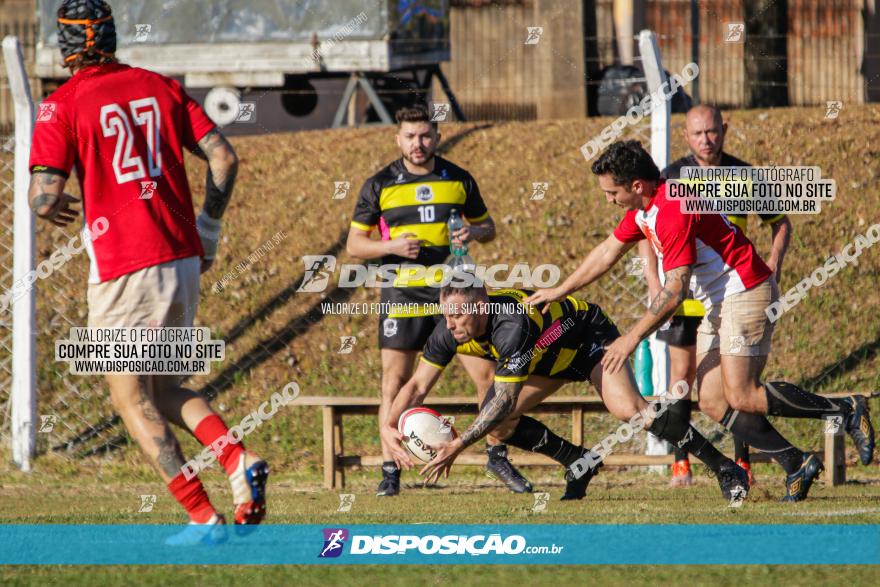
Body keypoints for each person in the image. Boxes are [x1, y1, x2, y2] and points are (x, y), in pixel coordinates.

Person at [28, 0, 266, 544]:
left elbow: (44, 199)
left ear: (65, 48)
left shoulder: (59, 106)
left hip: (126, 264)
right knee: (160, 391)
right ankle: (238, 460)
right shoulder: (161, 86)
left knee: (128, 399)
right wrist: (208, 228)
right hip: (182, 256)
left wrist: (45, 200)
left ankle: (204, 518)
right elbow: (224, 158)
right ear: (111, 37)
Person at [527, 140, 874, 501]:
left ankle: (846, 409)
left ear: (636, 186)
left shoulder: (672, 209)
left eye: (611, 192)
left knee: (742, 394)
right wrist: (559, 291)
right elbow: (607, 252)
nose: (608, 199)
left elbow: (674, 291)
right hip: (719, 300)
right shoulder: (648, 207)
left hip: (746, 289)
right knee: (713, 402)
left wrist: (630, 338)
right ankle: (795, 462)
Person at [383, 285, 751, 503]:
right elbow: (416, 386)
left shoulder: (509, 326)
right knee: (495, 421)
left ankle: (725, 467)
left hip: (586, 339)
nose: (448, 326)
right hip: (546, 357)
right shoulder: (450, 330)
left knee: (631, 410)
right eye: (445, 317)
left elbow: (505, 400)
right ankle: (580, 461)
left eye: (456, 317)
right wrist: (388, 426)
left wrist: (458, 444)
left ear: (480, 307)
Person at [346, 105, 532, 496]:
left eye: (425, 135)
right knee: (395, 383)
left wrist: (473, 232)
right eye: (410, 136)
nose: (418, 143)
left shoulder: (459, 179)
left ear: (437, 136)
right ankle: (390, 470)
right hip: (402, 293)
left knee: (486, 377)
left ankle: (497, 456)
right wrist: (392, 244)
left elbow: (489, 227)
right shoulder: (378, 184)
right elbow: (354, 244)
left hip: (455, 293)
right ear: (397, 138)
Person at [640, 104, 793, 487]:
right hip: (684, 293)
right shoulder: (672, 177)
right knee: (681, 377)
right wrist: (653, 282)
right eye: (697, 134)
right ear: (686, 136)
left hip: (728, 291)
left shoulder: (744, 175)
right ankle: (682, 464)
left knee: (735, 381)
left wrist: (774, 259)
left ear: (724, 129)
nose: (705, 140)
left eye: (711, 132)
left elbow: (780, 222)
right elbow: (643, 228)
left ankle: (742, 463)